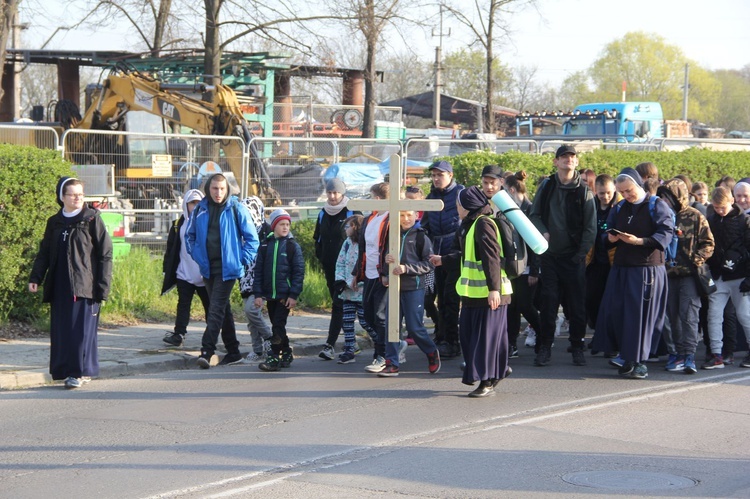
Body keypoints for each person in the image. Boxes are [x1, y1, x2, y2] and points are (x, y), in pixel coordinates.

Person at [29, 177, 113, 389]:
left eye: (80, 194)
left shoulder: (91, 219)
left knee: (80, 331)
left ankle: (78, 372)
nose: (77, 198)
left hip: (84, 285)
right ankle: (64, 370)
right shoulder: (54, 222)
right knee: (62, 331)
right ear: (62, 197)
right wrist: (36, 277)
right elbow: (45, 253)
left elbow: (105, 254)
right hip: (59, 285)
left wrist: (103, 287)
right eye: (72, 194)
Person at [593, 168, 674, 379]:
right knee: (616, 313)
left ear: (639, 185)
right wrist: (609, 239)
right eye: (622, 192)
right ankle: (626, 355)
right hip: (622, 268)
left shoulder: (657, 205)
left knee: (641, 317)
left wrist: (639, 241)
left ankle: (638, 361)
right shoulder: (619, 206)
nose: (627, 195)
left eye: (629, 191)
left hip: (647, 269)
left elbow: (665, 233)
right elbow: (606, 232)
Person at [442, 186, 512, 397]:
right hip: (474, 295)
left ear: (467, 206)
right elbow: (466, 256)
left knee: (485, 340)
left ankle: (487, 381)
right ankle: (496, 370)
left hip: (490, 295)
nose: (456, 208)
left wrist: (494, 290)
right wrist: (442, 260)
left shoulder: (483, 225)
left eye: (458, 204)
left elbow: (492, 258)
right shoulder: (470, 225)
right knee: (473, 337)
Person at [529, 145, 596, 367]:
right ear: (556, 162)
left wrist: (580, 255)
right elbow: (534, 215)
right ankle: (545, 346)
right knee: (548, 304)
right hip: (549, 257)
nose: (569, 160)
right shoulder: (546, 186)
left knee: (577, 306)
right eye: (564, 157)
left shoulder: (584, 191)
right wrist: (543, 232)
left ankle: (577, 346)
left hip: (573, 257)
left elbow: (590, 228)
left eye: (572, 157)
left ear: (576, 162)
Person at [186, 173, 259, 369]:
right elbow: (189, 237)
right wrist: (198, 257)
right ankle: (233, 351)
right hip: (208, 268)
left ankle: (207, 350)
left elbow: (253, 240)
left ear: (227, 189)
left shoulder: (236, 208)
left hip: (229, 269)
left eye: (222, 189)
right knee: (222, 309)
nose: (218, 193)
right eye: (214, 188)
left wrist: (240, 261)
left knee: (215, 309)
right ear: (208, 189)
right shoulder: (200, 209)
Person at [657, 179, 715, 374]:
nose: (663, 200)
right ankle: (678, 354)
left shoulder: (695, 216)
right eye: (662, 196)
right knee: (673, 317)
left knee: (689, 316)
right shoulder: (662, 216)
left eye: (667, 196)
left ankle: (689, 355)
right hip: (668, 275)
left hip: (689, 276)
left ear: (677, 196)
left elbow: (708, 243)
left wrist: (696, 260)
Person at [377, 209, 442, 377]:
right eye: (401, 215)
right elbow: (385, 255)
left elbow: (429, 264)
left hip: (414, 287)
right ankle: (391, 362)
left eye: (409, 215)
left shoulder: (421, 237)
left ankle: (431, 352)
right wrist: (385, 268)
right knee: (392, 326)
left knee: (414, 327)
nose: (406, 219)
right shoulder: (391, 234)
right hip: (394, 287)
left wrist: (407, 269)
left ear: (416, 216)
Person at [703, 186, 750, 369]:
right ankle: (716, 354)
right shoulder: (711, 220)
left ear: (731, 201)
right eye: (716, 207)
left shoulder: (744, 221)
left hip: (739, 277)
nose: (719, 211)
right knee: (713, 316)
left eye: (722, 207)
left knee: (745, 315)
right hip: (719, 276)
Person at [422, 160, 464, 358]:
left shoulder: (460, 195)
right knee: (438, 298)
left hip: (454, 253)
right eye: (434, 175)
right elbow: (425, 225)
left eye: (440, 175)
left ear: (450, 175)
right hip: (435, 254)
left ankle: (453, 341)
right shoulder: (431, 197)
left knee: (451, 298)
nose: (437, 178)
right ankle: (442, 334)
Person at [253, 209, 305, 371]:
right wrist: (258, 294)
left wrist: (293, 294)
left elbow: (298, 272)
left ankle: (274, 357)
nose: (285, 227)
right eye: (281, 224)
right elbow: (258, 272)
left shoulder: (292, 246)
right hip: (270, 295)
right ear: (274, 226)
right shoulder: (264, 246)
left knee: (277, 326)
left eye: (287, 224)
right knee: (277, 325)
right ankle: (287, 352)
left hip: (284, 296)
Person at [161, 189, 213, 347]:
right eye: (192, 203)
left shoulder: (208, 222)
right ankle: (179, 334)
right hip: (184, 272)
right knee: (183, 304)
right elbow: (171, 249)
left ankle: (212, 335)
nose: (195, 206)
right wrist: (167, 268)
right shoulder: (178, 225)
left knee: (210, 306)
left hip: (204, 274)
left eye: (198, 203)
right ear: (186, 204)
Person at [313, 178, 356, 361]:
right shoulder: (323, 213)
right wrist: (321, 257)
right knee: (340, 305)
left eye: (335, 193)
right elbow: (318, 238)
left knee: (342, 306)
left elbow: (359, 238)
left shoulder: (352, 211)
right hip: (331, 267)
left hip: (350, 269)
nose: (332, 196)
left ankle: (330, 345)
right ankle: (350, 344)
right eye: (329, 193)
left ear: (342, 193)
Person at [355, 182, 391, 373]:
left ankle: (382, 354)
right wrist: (356, 273)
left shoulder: (390, 218)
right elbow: (363, 248)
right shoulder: (370, 219)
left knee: (380, 316)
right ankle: (392, 344)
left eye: (370, 197)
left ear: (377, 199)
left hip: (381, 275)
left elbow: (390, 248)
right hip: (368, 273)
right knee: (368, 315)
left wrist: (385, 273)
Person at [238, 196, 277, 363]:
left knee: (251, 310)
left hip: (260, 280)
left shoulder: (267, 233)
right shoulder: (242, 232)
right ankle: (258, 351)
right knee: (250, 319)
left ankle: (269, 338)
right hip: (245, 278)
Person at [333, 215, 376, 364]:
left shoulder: (366, 244)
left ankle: (381, 344)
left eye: (348, 226)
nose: (345, 229)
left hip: (362, 291)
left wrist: (360, 280)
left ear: (356, 227)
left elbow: (367, 265)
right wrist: (341, 280)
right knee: (347, 321)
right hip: (347, 291)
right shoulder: (346, 243)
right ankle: (349, 349)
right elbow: (340, 263)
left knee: (366, 322)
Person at [586, 174, 617, 341]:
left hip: (613, 262)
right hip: (595, 260)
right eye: (601, 193)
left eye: (608, 193)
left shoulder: (619, 208)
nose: (605, 197)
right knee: (591, 299)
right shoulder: (592, 207)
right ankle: (598, 332)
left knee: (611, 302)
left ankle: (607, 338)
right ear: (595, 192)